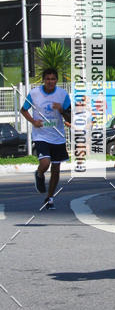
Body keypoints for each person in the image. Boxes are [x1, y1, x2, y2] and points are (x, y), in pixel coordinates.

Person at [20, 67, 71, 209]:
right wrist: (33, 121)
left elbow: (70, 117)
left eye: (53, 79)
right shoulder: (35, 93)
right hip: (41, 135)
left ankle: (49, 198)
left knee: (56, 168)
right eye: (47, 79)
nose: (50, 82)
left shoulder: (62, 95)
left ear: (56, 80)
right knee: (45, 163)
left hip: (58, 136)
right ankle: (39, 173)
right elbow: (23, 110)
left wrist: (61, 110)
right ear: (44, 80)